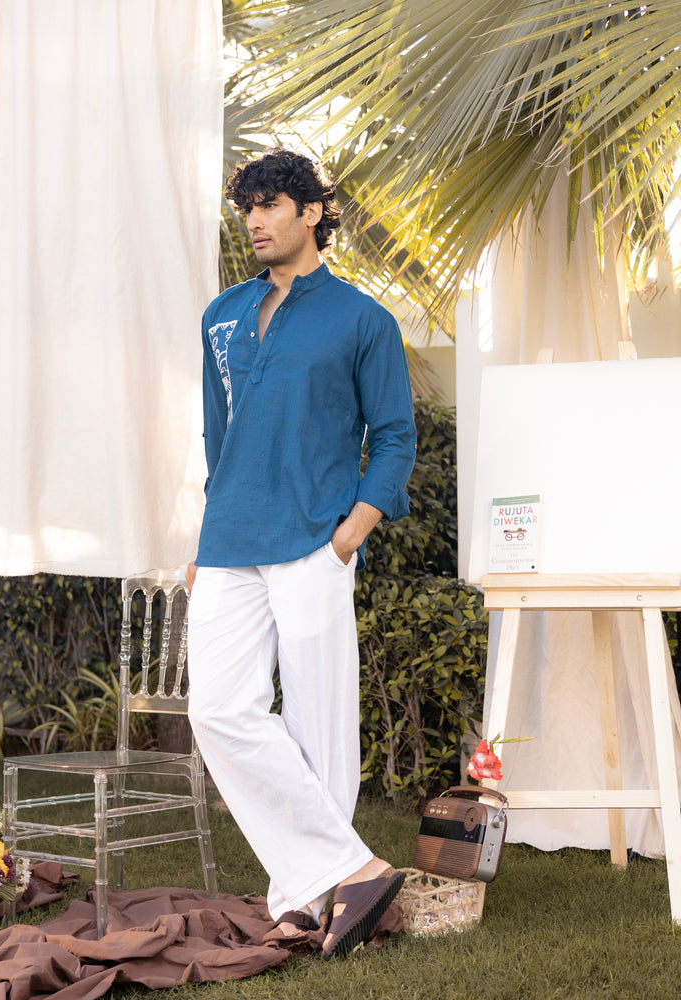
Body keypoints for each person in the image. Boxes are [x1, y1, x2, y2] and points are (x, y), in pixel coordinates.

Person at [185, 147, 417, 960]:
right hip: (229, 542)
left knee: (318, 721)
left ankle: (303, 896)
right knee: (216, 709)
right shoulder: (220, 313)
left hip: (315, 538)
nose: (253, 220)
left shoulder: (362, 319)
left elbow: (393, 436)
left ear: (313, 212)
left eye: (271, 204)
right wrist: (203, 535)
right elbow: (217, 438)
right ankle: (353, 870)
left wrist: (353, 529)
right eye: (247, 206)